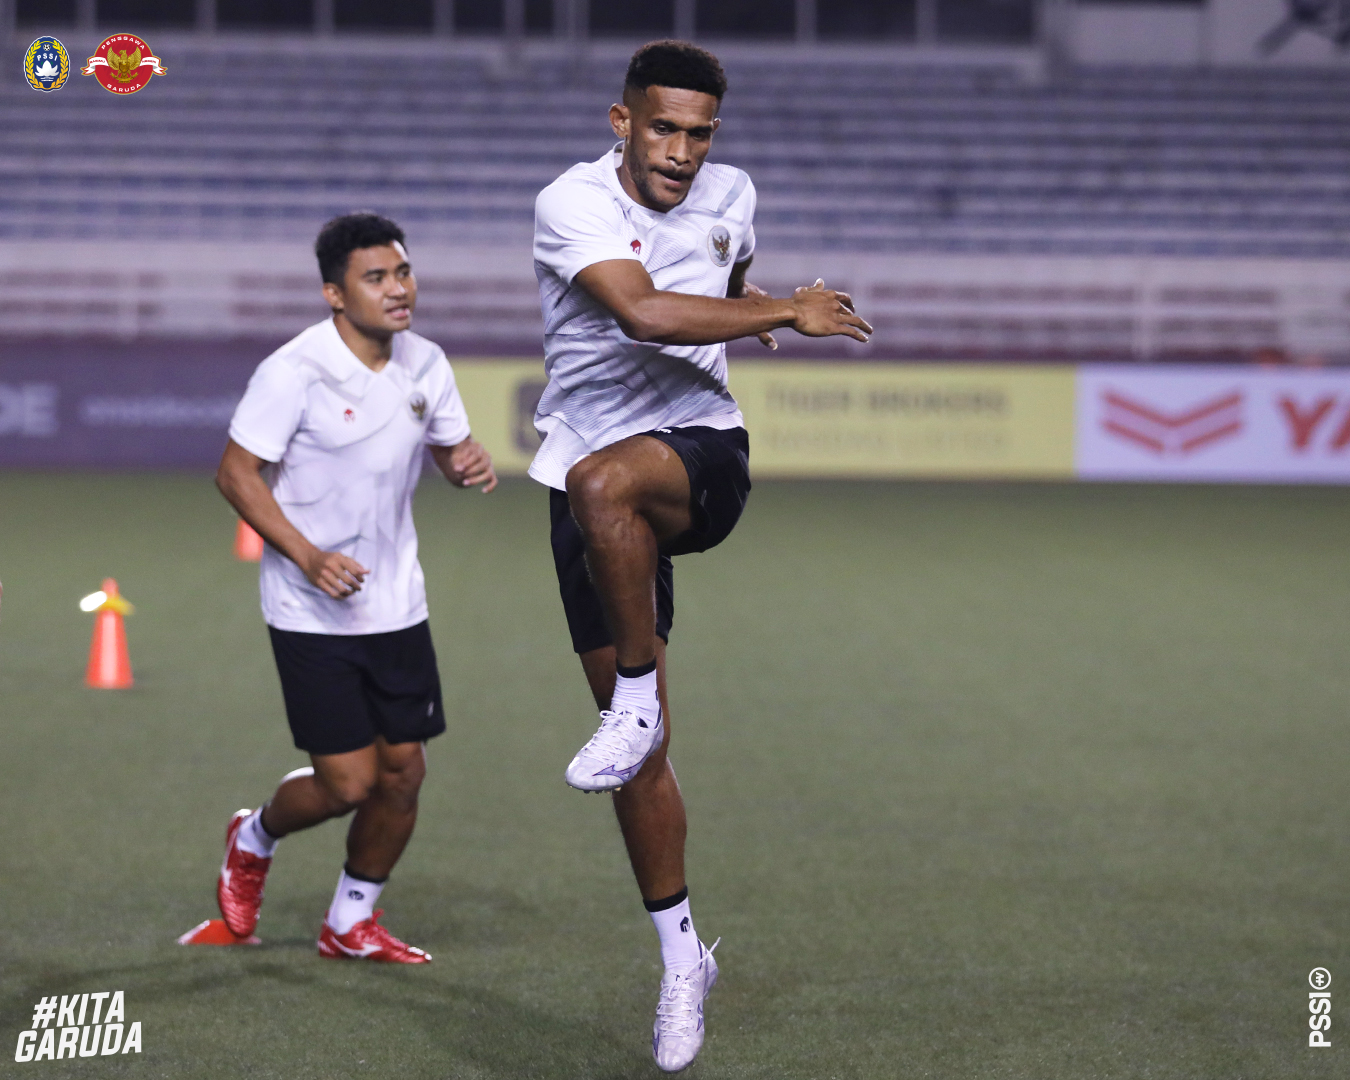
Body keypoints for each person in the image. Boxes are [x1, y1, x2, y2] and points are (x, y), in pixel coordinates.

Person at [531, 40, 872, 1071]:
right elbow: (639, 309)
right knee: (643, 763)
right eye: (663, 126)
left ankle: (632, 703)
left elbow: (720, 279)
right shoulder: (571, 204)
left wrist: (754, 305)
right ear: (621, 121)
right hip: (586, 480)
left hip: (698, 454)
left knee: (607, 488)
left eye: (699, 131)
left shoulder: (734, 191)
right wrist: (778, 311)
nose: (681, 150)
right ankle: (684, 961)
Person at [210, 212, 497, 964]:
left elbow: (448, 450)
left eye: (403, 272)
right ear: (336, 294)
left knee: (403, 773)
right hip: (310, 608)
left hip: (398, 603)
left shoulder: (427, 363)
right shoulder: (292, 371)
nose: (398, 289)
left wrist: (465, 464)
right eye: (377, 278)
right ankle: (253, 836)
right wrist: (307, 556)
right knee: (346, 784)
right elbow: (236, 475)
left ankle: (349, 921)